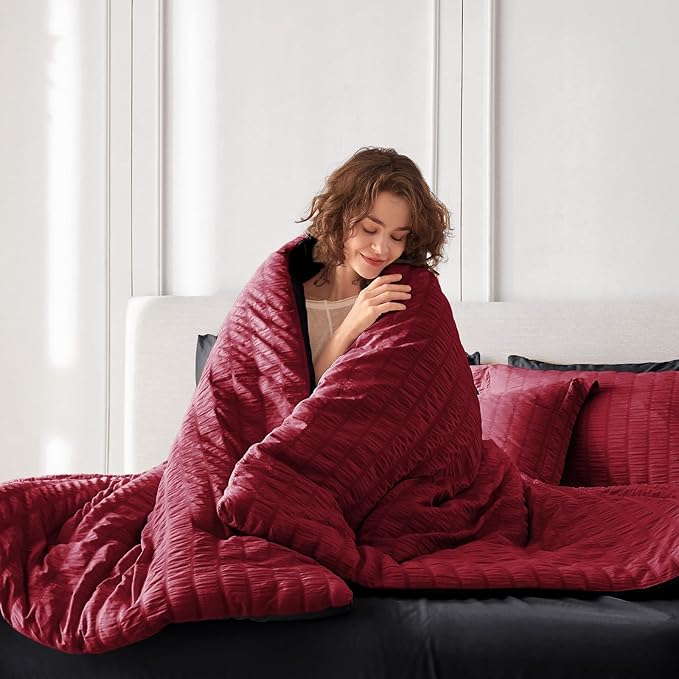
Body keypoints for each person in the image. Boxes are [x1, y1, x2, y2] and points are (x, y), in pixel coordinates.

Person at [293, 146, 452, 382]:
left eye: (397, 237)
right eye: (369, 229)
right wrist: (349, 327)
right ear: (339, 217)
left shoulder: (404, 298)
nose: (381, 249)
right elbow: (295, 397)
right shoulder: (286, 301)